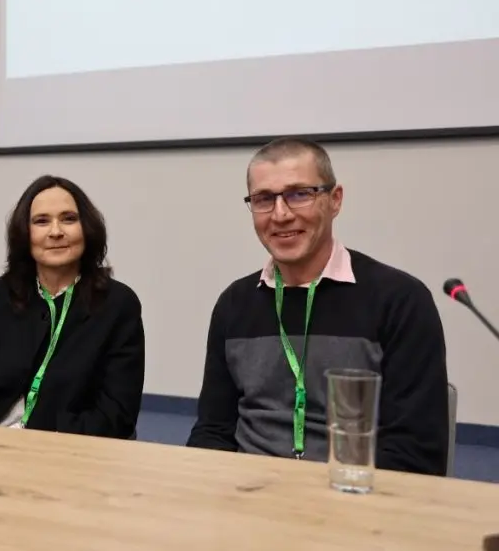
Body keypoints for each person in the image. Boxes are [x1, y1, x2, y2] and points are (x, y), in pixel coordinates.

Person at [186, 137, 449, 474]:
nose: (281, 214)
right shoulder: (235, 304)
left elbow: (415, 453)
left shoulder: (399, 300)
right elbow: (214, 430)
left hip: (352, 501)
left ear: (334, 200)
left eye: (299, 194)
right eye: (264, 199)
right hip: (247, 498)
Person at [0, 175, 145, 438]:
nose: (56, 232)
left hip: (69, 452)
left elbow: (117, 413)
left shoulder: (118, 305)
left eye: (68, 219)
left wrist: (41, 444)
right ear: (25, 234)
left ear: (86, 229)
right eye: (41, 221)